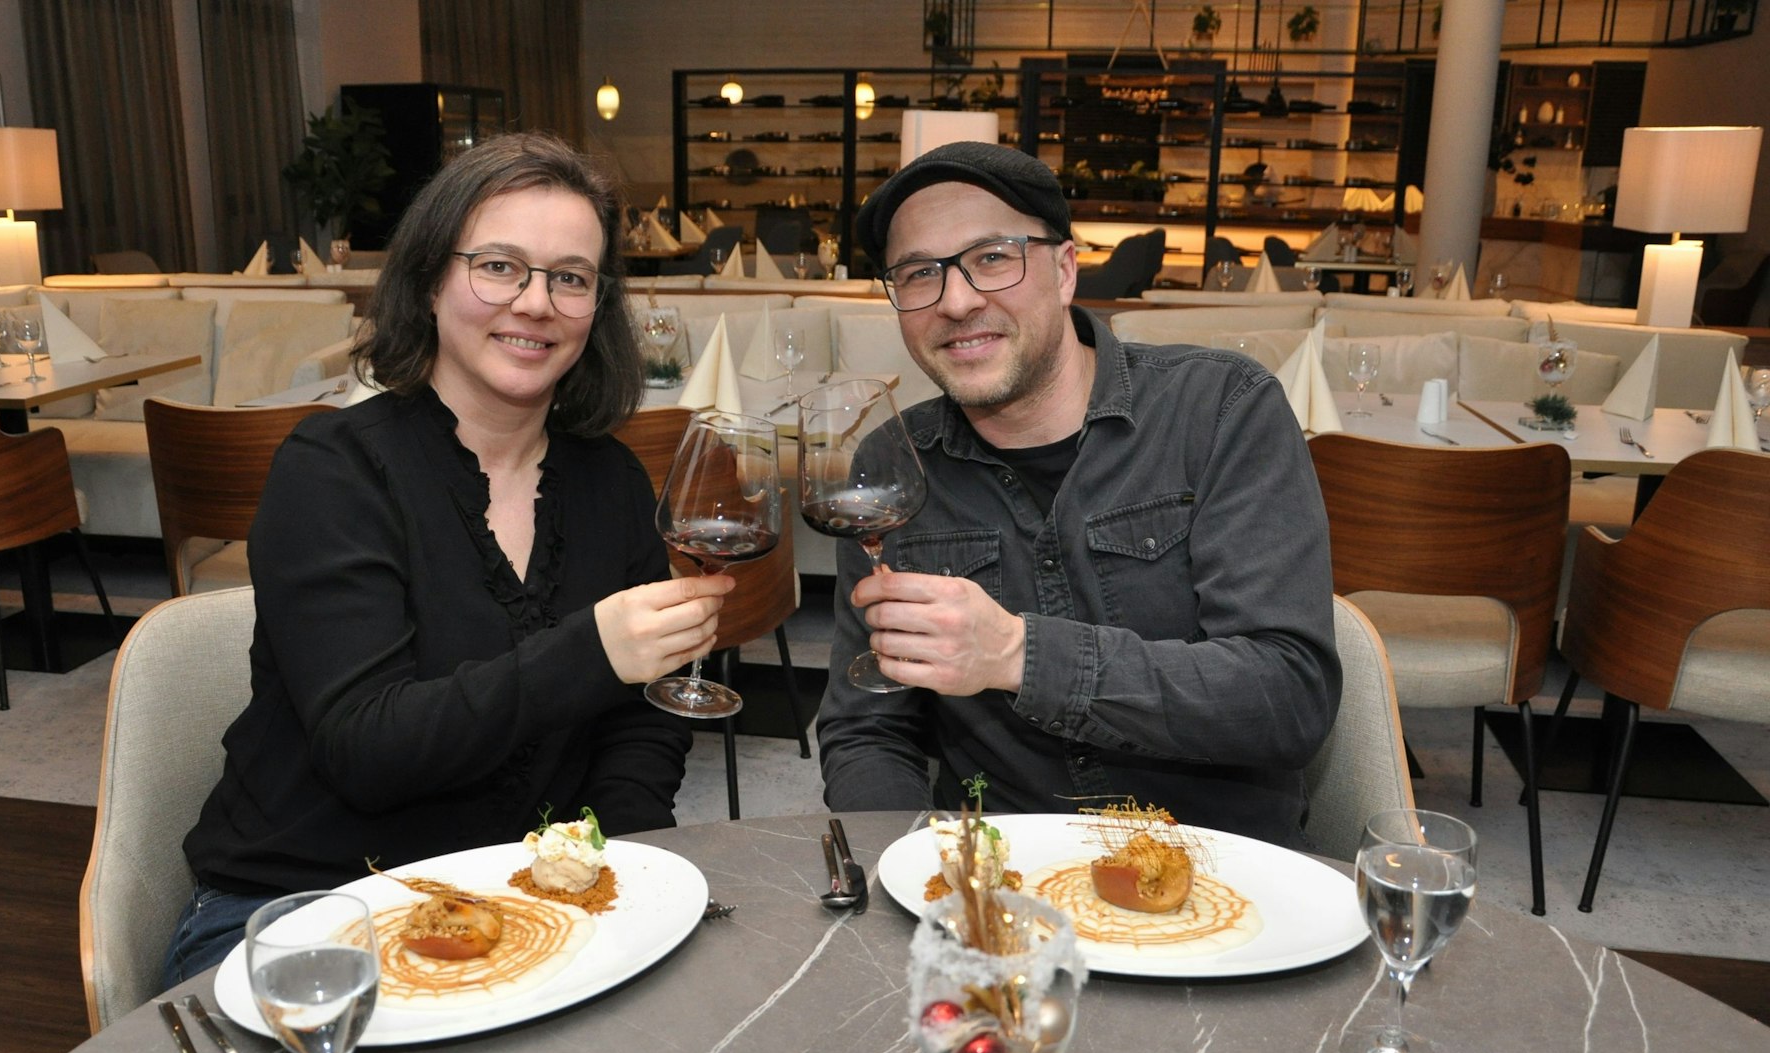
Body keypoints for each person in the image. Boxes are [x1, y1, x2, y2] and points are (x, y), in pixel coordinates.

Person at [164, 133, 733, 983]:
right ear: (431, 280)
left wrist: (627, 874)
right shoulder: (334, 470)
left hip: (518, 904)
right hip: (308, 907)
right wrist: (591, 651)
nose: (536, 303)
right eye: (499, 266)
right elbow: (366, 747)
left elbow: (641, 719)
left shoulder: (608, 477)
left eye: (570, 277)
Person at [816, 142, 1340, 848]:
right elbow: (868, 728)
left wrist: (1015, 655)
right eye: (919, 274)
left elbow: (1288, 696)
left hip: (1216, 867)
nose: (958, 300)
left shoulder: (1221, 410)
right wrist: (908, 863)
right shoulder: (894, 463)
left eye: (994, 257)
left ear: (1064, 271)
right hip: (1003, 873)